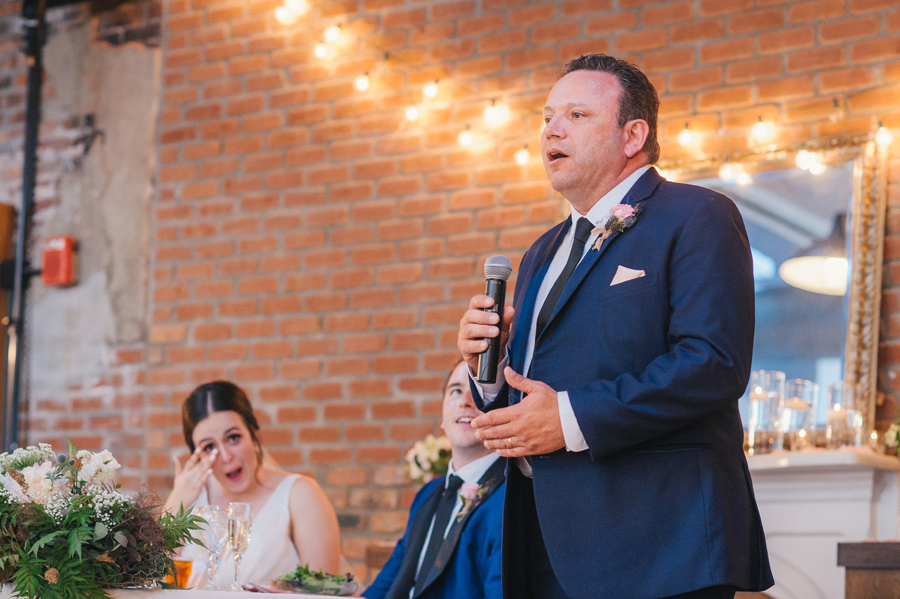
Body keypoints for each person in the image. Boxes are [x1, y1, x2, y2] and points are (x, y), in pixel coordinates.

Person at [457, 54, 774, 599]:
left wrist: (570, 417)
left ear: (634, 135)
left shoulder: (696, 214)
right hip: (545, 541)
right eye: (548, 117)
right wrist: (486, 370)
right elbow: (529, 396)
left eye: (577, 115)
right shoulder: (542, 252)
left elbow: (712, 363)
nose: (552, 129)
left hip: (657, 546)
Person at [164, 380, 341, 588]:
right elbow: (152, 580)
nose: (226, 456)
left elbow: (325, 592)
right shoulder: (188, 501)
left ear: (254, 434)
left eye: (233, 438)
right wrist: (176, 501)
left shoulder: (299, 494)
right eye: (209, 447)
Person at [363, 360, 504, 599]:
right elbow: (382, 589)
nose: (465, 401)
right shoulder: (427, 494)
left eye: (480, 391)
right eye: (456, 391)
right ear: (442, 416)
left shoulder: (512, 497)